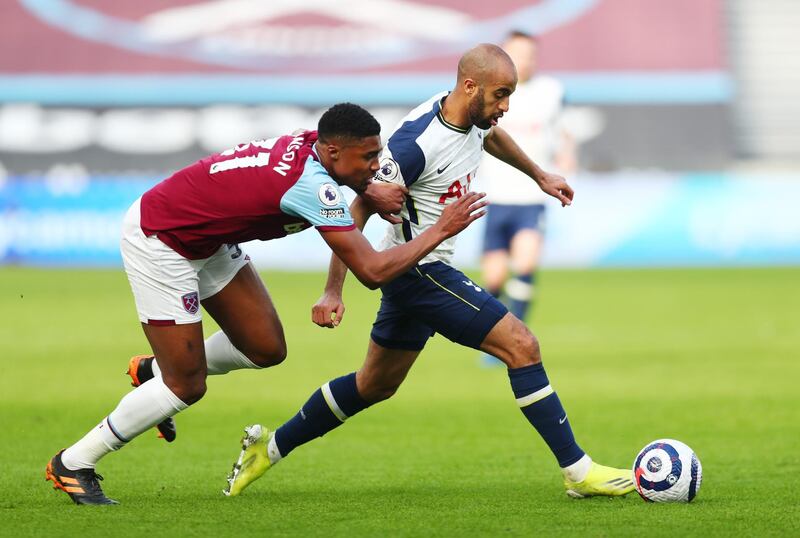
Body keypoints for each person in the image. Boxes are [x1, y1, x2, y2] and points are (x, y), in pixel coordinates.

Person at [223, 45, 634, 499]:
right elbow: (358, 208)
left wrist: (538, 174)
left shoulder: (472, 116)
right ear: (470, 86)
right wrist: (333, 290)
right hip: (420, 271)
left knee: (373, 385)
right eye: (501, 95)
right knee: (521, 345)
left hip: (414, 270)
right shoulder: (415, 145)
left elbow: (489, 136)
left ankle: (269, 449)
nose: (506, 107)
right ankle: (578, 471)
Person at [45, 103, 487, 505]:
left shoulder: (315, 149)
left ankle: (152, 371)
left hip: (209, 239)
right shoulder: (312, 185)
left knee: (265, 348)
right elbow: (371, 271)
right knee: (187, 385)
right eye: (369, 159)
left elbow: (323, 185)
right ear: (333, 153)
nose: (377, 166)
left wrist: (367, 188)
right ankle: (75, 462)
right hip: (162, 239)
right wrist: (440, 229)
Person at [479, 32, 576, 366]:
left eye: (531, 53)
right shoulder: (492, 92)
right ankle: (495, 337)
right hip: (494, 197)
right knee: (492, 279)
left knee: (525, 265)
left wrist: (566, 154)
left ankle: (513, 338)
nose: (527, 59)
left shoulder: (551, 91)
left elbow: (565, 130)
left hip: (531, 198)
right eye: (519, 53)